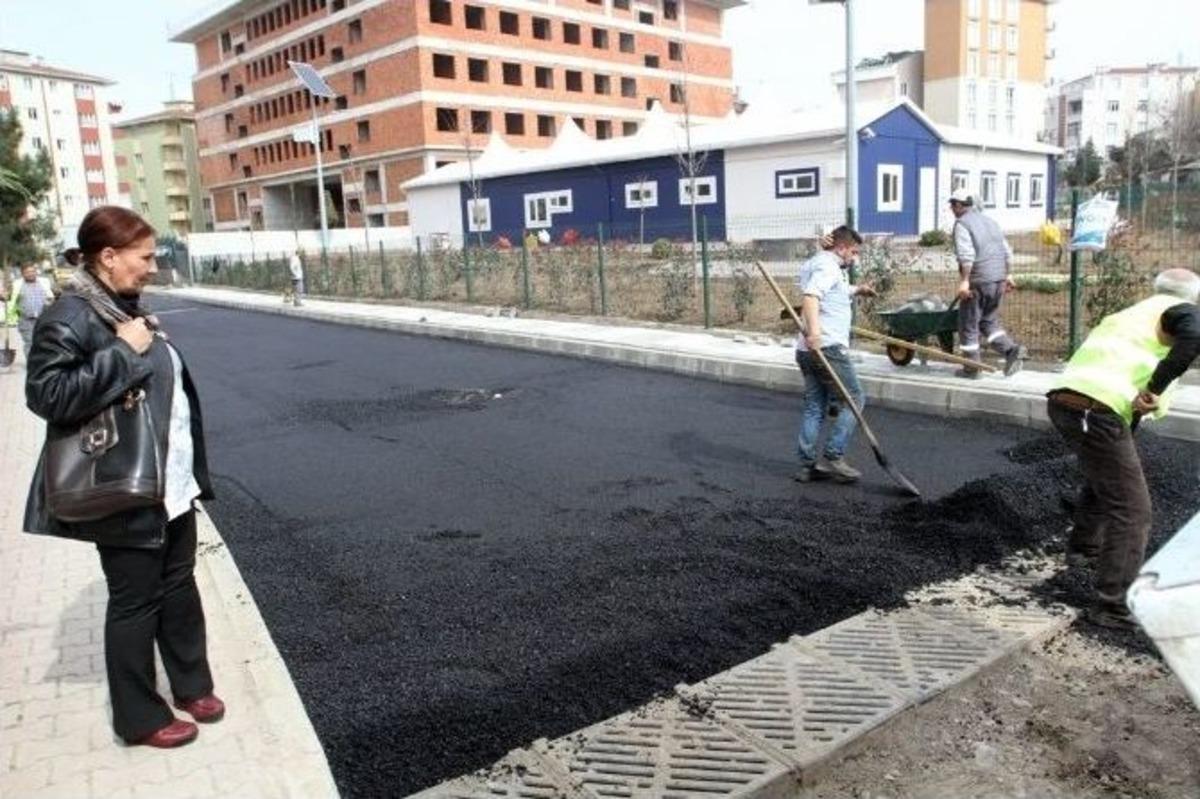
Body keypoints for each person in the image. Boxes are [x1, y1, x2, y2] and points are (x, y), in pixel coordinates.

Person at [23, 206, 222, 748]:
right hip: (122, 486)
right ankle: (139, 718)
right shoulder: (70, 315)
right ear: (108, 257)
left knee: (179, 584)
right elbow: (47, 396)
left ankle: (192, 685)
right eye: (145, 257)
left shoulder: (119, 306)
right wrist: (121, 351)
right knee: (135, 602)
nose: (153, 267)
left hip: (167, 482)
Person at [1047, 267, 1200, 630]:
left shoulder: (1132, 314)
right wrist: (1154, 389)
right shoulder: (1183, 310)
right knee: (1133, 511)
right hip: (1096, 409)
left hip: (1067, 403)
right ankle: (1113, 605)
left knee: (1105, 481)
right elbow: (1194, 336)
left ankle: (1083, 550)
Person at [794, 225, 876, 484]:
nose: (855, 257)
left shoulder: (817, 263)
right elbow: (811, 297)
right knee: (855, 398)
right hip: (827, 347)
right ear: (841, 248)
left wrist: (857, 289)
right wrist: (815, 333)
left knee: (815, 406)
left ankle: (807, 465)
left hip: (805, 350)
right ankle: (833, 454)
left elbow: (832, 290)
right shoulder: (828, 267)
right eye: (854, 252)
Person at [949, 188, 1027, 378]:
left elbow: (966, 255)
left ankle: (972, 368)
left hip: (979, 282)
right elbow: (1007, 252)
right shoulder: (991, 222)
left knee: (968, 325)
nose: (951, 209)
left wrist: (965, 282)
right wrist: (1008, 275)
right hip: (998, 280)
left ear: (960, 205)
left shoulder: (962, 224)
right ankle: (1011, 350)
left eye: (953, 205)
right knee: (987, 321)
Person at [4, 263, 56, 358]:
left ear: (36, 272)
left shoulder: (44, 282)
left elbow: (54, 295)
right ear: (22, 274)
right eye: (27, 272)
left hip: (43, 319)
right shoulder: (17, 285)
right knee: (30, 343)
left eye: (32, 271)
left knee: (44, 342)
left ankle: (42, 362)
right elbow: (8, 297)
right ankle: (31, 363)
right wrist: (4, 295)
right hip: (25, 320)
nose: (31, 274)